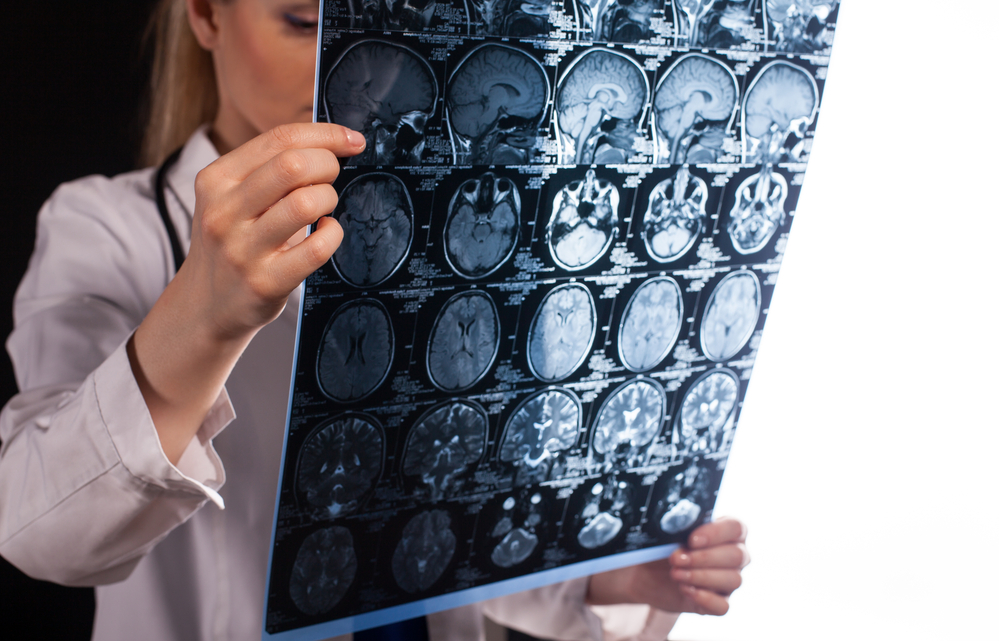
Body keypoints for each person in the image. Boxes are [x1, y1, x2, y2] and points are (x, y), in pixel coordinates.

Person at [0, 1, 750, 639]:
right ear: (203, 13)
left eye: (379, 24)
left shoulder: (457, 238)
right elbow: (42, 531)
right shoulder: (104, 227)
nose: (345, 60)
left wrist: (602, 574)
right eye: (303, 21)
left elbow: (428, 539)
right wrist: (203, 310)